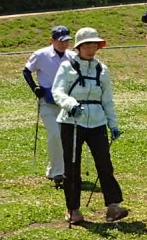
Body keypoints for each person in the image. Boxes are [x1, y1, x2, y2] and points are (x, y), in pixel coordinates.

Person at [52, 27, 129, 225]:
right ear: (79, 47)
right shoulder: (66, 67)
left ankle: (113, 206)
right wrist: (71, 105)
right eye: (87, 44)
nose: (91, 48)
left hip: (97, 121)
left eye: (94, 44)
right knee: (72, 166)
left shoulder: (102, 69)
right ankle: (73, 209)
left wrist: (113, 124)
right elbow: (57, 92)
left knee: (105, 164)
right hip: (71, 122)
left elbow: (107, 99)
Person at [23, 25, 75, 188]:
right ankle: (59, 173)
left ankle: (55, 169)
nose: (63, 44)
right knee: (54, 134)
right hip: (47, 101)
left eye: (66, 41)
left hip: (66, 102)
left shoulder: (73, 56)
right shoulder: (41, 55)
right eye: (60, 41)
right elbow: (26, 71)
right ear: (51, 40)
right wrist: (35, 88)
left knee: (66, 137)